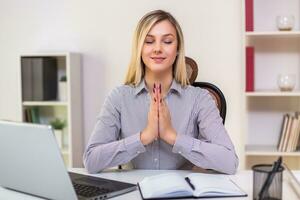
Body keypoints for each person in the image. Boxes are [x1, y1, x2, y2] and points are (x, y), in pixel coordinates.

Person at [83, 10, 238, 174]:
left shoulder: (199, 99)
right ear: (139, 48)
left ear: (178, 48)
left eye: (167, 41)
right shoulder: (119, 98)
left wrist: (172, 136)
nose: (157, 48)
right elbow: (91, 161)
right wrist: (144, 137)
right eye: (149, 41)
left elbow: (229, 162)